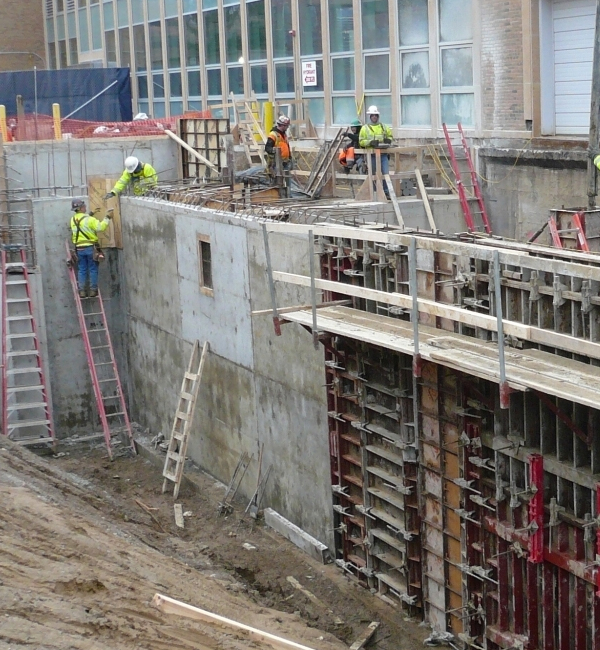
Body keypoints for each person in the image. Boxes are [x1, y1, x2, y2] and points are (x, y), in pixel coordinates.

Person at [70, 198, 112, 298]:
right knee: (93, 269)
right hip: (90, 248)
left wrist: (91, 213)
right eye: (84, 206)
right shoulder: (90, 220)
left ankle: (82, 291)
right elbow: (100, 227)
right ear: (81, 208)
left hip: (79, 249)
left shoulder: (73, 219)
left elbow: (83, 222)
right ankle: (93, 290)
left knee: (82, 270)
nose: (85, 207)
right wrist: (107, 217)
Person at [359, 105, 394, 198]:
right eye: (372, 115)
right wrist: (370, 142)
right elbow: (361, 141)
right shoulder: (365, 128)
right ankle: (375, 192)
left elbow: (390, 136)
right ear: (370, 116)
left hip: (383, 154)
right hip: (372, 155)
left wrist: (388, 140)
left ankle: (386, 193)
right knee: (374, 174)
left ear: (378, 116)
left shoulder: (384, 127)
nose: (374, 117)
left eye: (376, 115)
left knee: (385, 173)